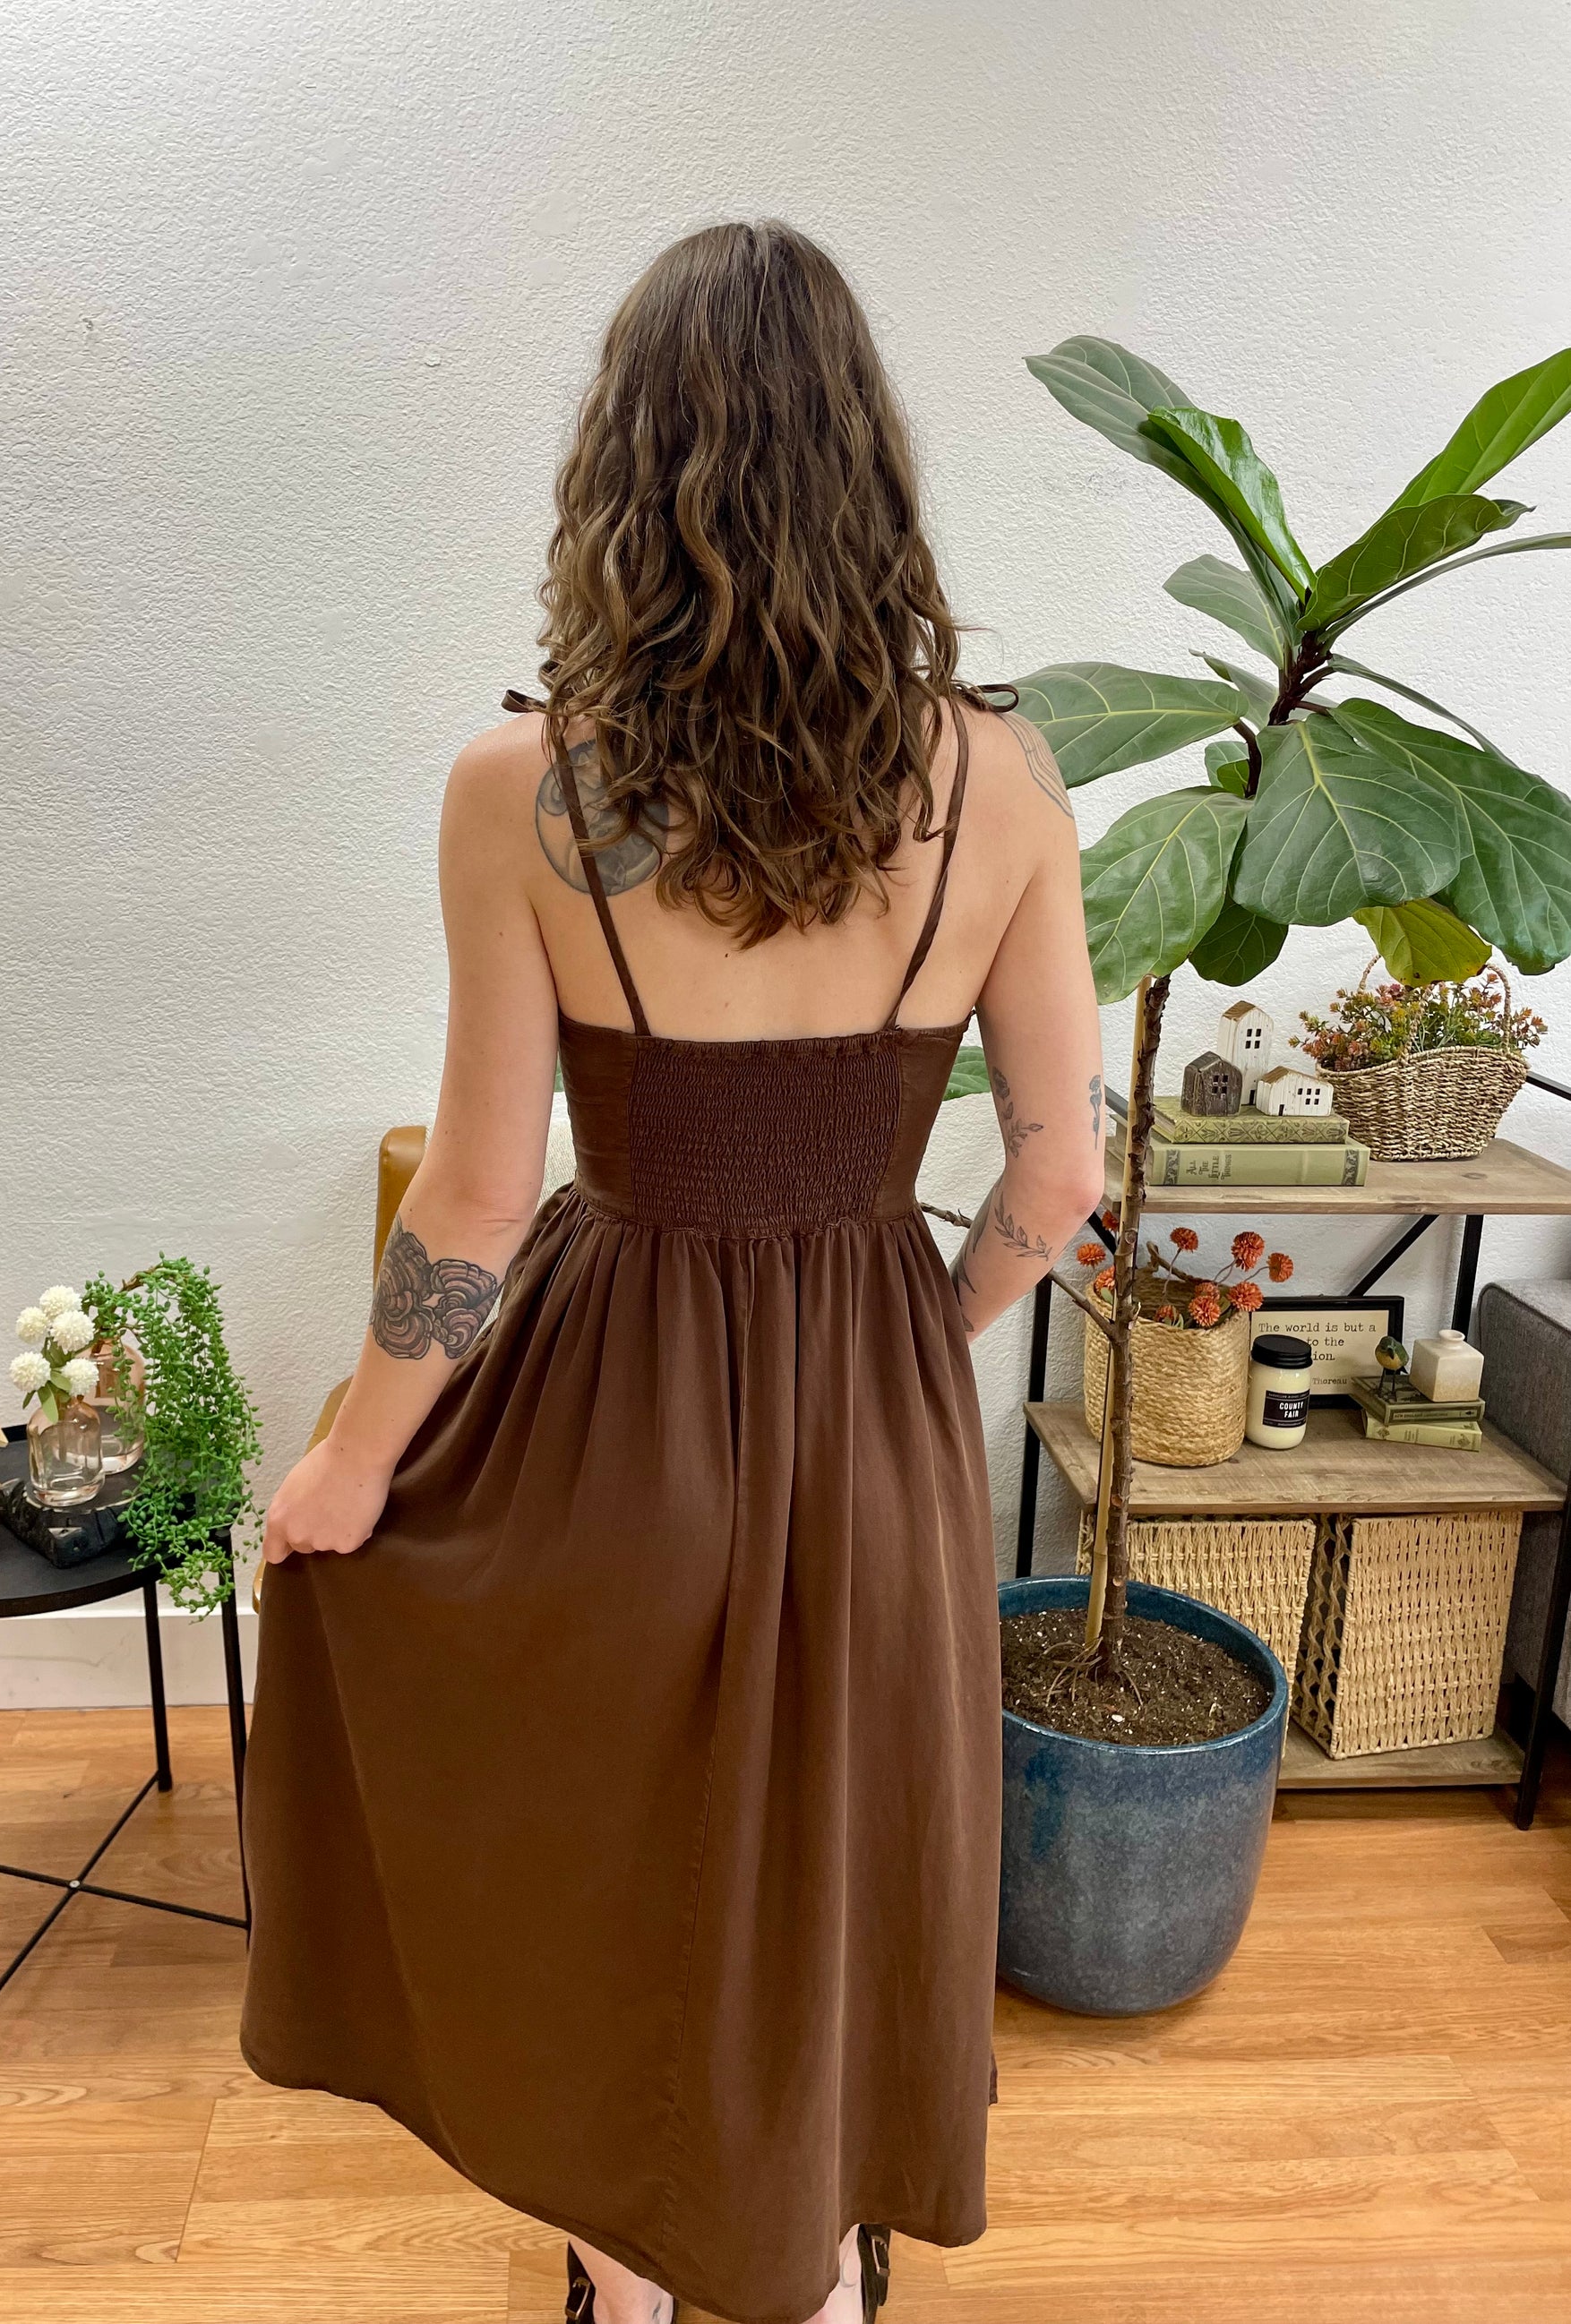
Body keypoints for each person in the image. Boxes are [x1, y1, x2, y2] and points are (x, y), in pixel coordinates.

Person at [239, 219, 1105, 2324]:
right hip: (874, 1414)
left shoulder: (522, 788)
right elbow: (1059, 1170)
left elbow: (472, 1199)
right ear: (870, 467)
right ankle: (810, 2272)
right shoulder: (1001, 778)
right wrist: (915, 1331)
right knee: (831, 1850)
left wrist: (353, 1462)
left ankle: (625, 2282)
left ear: (621, 477)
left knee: (607, 1848)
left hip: (610, 1410)